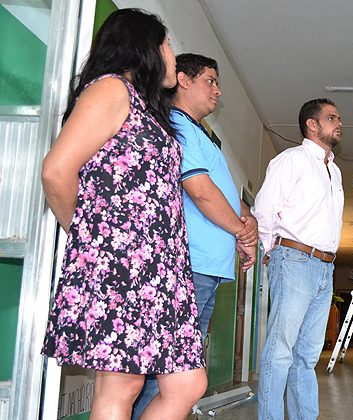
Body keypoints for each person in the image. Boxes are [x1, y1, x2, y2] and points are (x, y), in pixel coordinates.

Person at [40, 9, 206, 419]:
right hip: (125, 263)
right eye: (167, 44)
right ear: (144, 46)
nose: (171, 54)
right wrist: (93, 241)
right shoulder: (112, 90)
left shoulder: (148, 108)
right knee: (122, 385)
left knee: (187, 383)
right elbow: (56, 172)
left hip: (161, 268)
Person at [131, 53, 258, 418]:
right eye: (211, 80)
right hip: (191, 266)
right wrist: (240, 232)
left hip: (205, 269)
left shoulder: (200, 135)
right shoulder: (178, 125)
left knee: (175, 371)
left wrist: (244, 225)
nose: (218, 91)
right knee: (169, 373)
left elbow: (225, 195)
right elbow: (200, 190)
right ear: (183, 80)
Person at [253, 98, 344, 419]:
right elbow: (263, 209)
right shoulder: (290, 160)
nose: (339, 123)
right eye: (332, 118)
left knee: (306, 357)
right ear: (312, 124)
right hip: (293, 260)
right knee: (280, 352)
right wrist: (269, 252)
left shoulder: (334, 170)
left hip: (325, 268)